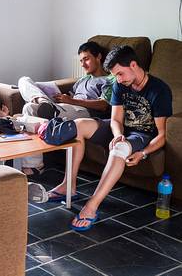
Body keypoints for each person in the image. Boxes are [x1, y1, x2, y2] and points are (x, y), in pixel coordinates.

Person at [28, 45, 173, 231]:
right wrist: (118, 134)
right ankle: (67, 187)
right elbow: (115, 119)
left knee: (119, 149)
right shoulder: (120, 84)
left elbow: (161, 135)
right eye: (115, 75)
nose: (118, 79)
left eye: (120, 73)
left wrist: (143, 153)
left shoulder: (159, 90)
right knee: (80, 125)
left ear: (134, 65)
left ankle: (91, 207)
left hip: (141, 135)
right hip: (120, 131)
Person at [18, 41, 115, 175]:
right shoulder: (82, 80)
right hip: (65, 107)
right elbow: (69, 97)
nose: (83, 64)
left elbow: (103, 105)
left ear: (98, 57)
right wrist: (58, 97)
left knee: (27, 115)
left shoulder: (109, 80)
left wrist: (71, 100)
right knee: (25, 87)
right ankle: (35, 165)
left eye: (86, 59)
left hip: (85, 113)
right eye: (81, 60)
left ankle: (47, 111)